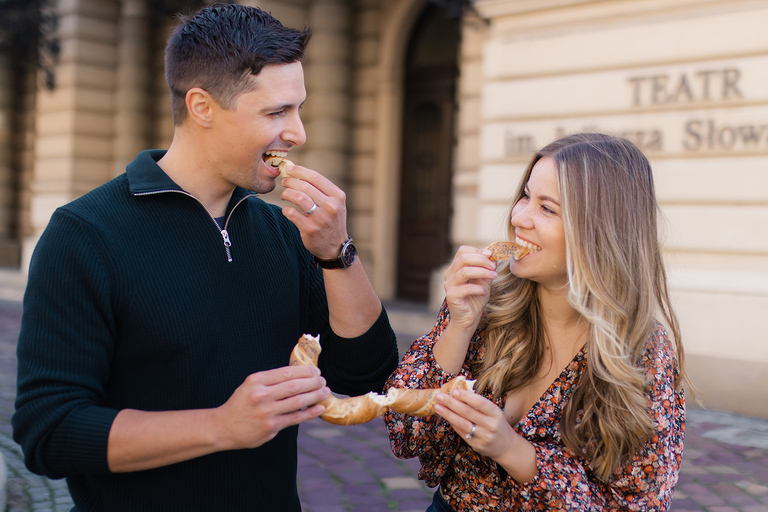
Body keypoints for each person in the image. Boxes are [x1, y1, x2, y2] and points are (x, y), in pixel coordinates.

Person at [12, 4, 398, 511]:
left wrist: (337, 253)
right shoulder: (84, 235)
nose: (299, 133)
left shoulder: (281, 231)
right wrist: (222, 425)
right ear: (202, 107)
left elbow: (367, 375)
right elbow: (51, 431)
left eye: (299, 108)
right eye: (277, 112)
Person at [384, 133, 691, 511]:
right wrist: (460, 325)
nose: (518, 217)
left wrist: (513, 451)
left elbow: (635, 504)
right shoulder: (486, 303)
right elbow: (407, 436)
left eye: (547, 208)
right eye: (526, 196)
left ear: (598, 232)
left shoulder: (643, 352)